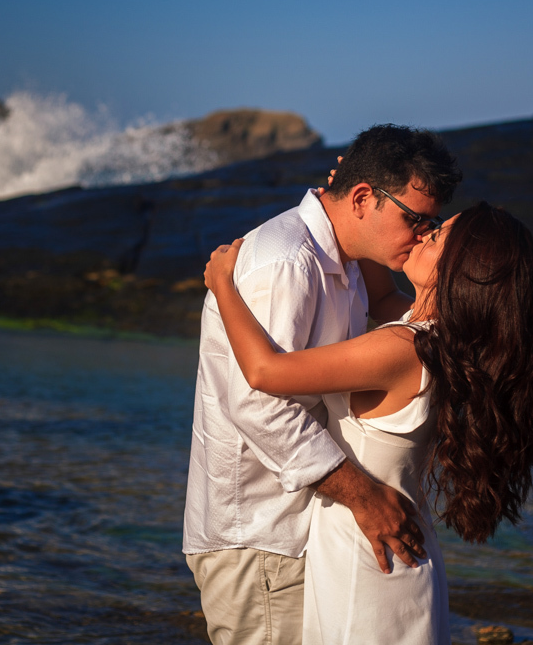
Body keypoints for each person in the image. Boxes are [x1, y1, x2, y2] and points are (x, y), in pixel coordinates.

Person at [202, 201, 533, 645]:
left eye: (437, 235)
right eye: (427, 224)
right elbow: (379, 292)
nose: (423, 233)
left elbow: (264, 373)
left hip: (370, 560)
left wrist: (223, 285)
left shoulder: (402, 347)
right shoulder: (442, 337)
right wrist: (359, 198)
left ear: (461, 271)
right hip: (391, 546)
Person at [182, 125, 462, 645]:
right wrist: (365, 497)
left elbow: (397, 313)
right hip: (264, 535)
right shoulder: (286, 262)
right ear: (362, 199)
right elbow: (258, 404)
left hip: (302, 529)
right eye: (414, 219)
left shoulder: (348, 258)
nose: (422, 234)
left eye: (432, 224)